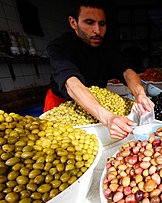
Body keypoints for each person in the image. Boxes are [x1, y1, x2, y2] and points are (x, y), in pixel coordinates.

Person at [44, 0, 153, 140]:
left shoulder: (106, 46)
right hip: (63, 103)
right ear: (73, 23)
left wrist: (140, 94)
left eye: (102, 24)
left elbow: (126, 70)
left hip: (98, 105)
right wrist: (107, 118)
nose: (97, 31)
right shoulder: (59, 47)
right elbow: (70, 83)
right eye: (89, 23)